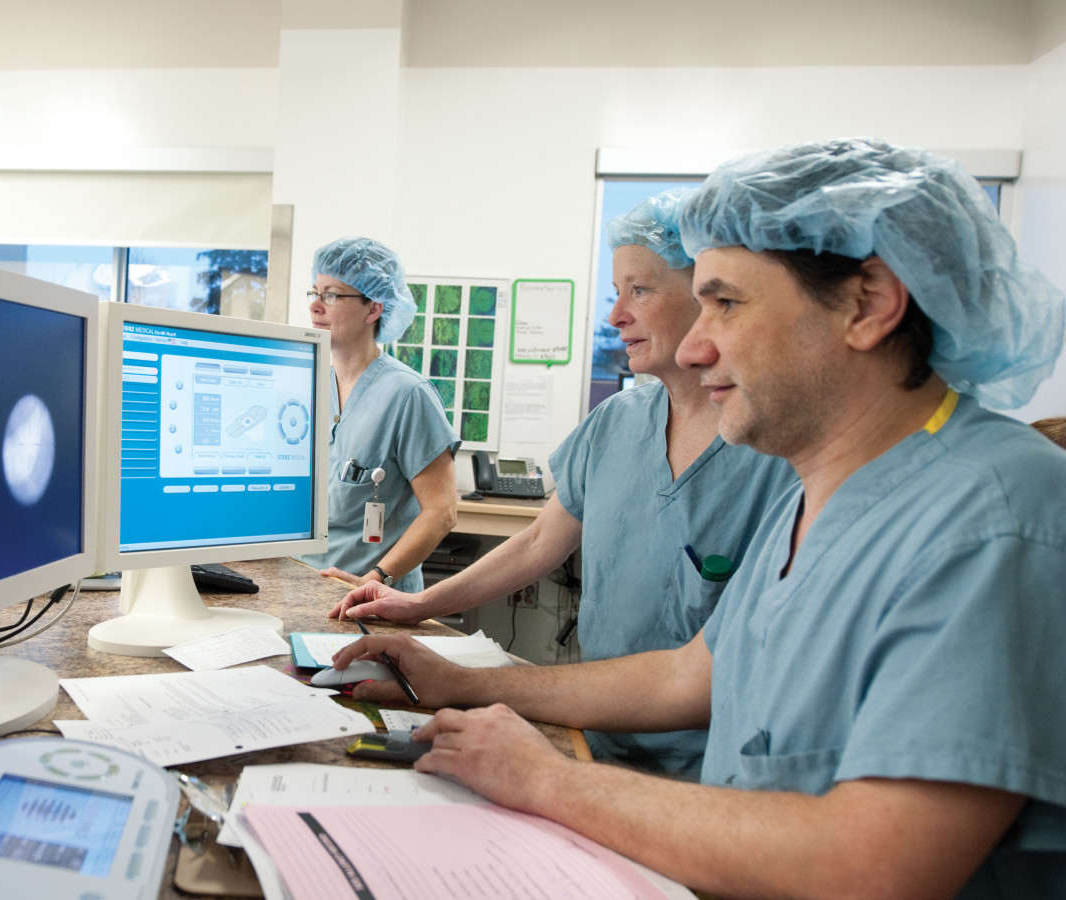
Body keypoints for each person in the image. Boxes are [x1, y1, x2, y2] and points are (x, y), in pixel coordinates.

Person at [333, 138, 1066, 898]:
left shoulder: (995, 518)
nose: (694, 342)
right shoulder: (820, 493)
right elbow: (693, 674)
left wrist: (548, 781)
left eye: (725, 302)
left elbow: (876, 863)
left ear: (868, 304)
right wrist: (459, 684)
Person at [329, 190, 795, 778]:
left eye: (640, 290)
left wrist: (467, 684)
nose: (615, 315)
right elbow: (536, 544)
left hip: (703, 765)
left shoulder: (776, 454)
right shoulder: (617, 424)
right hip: (593, 733)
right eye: (616, 292)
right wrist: (418, 602)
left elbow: (704, 676)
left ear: (709, 298)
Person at [296, 236, 459, 593]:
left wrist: (377, 578)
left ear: (373, 309)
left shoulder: (408, 394)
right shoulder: (306, 385)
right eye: (315, 293)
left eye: (333, 295)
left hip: (374, 596)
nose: (315, 307)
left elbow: (442, 512)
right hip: (304, 585)